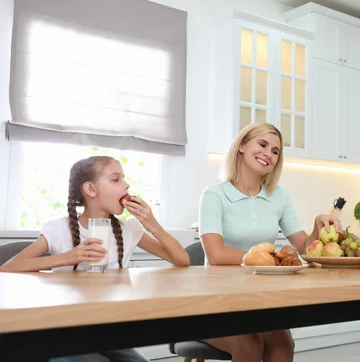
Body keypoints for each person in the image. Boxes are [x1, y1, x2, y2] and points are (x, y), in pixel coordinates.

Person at [1, 155, 190, 362]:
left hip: (105, 330)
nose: (126, 185)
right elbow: (9, 267)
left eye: (124, 179)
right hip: (62, 330)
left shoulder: (128, 230)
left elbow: (182, 260)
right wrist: (68, 257)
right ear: (91, 190)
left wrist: (151, 223)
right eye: (116, 179)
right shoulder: (58, 229)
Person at [198, 122, 342, 362]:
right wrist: (274, 259)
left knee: (283, 345)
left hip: (260, 299)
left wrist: (318, 225)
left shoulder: (279, 196)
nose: (269, 154)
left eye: (275, 151)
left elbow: (304, 246)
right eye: (262, 144)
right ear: (242, 146)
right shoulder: (214, 195)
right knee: (250, 343)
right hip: (218, 298)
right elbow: (216, 254)